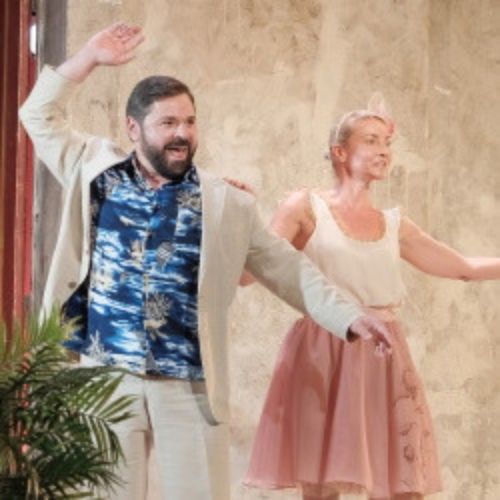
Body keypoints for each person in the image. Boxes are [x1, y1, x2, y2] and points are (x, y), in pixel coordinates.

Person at [19, 24, 392, 500]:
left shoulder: (225, 203)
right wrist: (89, 57)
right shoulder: (93, 168)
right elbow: (37, 114)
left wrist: (350, 317)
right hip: (105, 377)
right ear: (133, 128)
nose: (182, 133)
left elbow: (286, 267)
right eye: (168, 123)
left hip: (189, 385)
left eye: (189, 121)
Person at [244, 109, 500, 499]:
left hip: (383, 352)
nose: (384, 151)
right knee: (321, 483)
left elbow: (463, 268)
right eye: (371, 140)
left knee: (400, 481)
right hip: (322, 349)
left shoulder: (394, 224)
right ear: (340, 152)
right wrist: (242, 217)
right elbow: (253, 271)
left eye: (387, 142)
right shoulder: (305, 207)